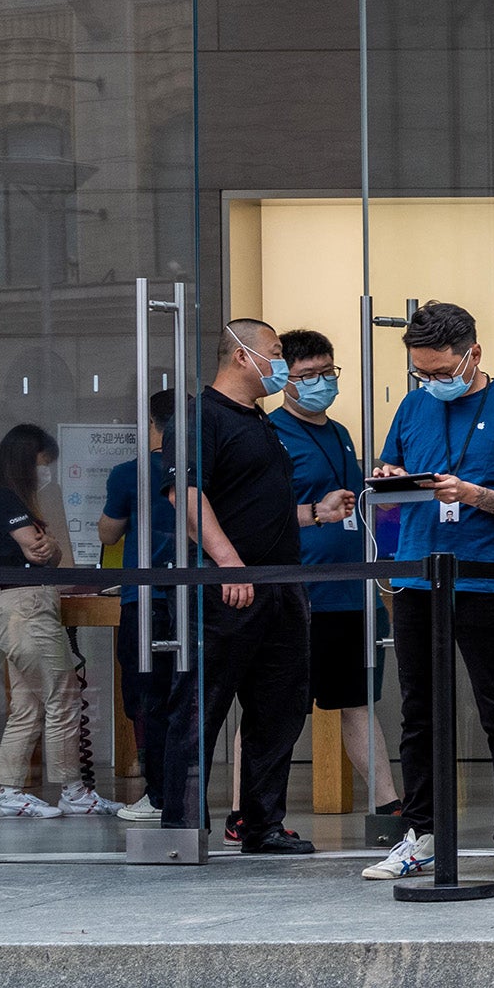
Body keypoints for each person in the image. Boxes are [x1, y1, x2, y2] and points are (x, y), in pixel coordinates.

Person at [365, 304, 494, 884]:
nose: (432, 382)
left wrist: (470, 493)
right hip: (418, 577)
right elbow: (389, 467)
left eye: (441, 370)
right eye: (422, 372)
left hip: (482, 576)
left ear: (472, 353)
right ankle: (418, 832)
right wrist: (390, 480)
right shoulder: (413, 404)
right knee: (417, 712)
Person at [187, 317, 318, 853]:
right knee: (207, 704)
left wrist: (313, 514)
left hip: (280, 585)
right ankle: (183, 820)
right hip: (233, 587)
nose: (280, 363)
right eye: (274, 353)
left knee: (278, 709)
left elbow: (256, 502)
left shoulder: (259, 421)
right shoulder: (201, 416)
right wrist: (228, 563)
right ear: (242, 356)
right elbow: (187, 495)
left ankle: (261, 823)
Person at [271, 327, 392, 836]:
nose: (321, 383)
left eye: (328, 373)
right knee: (274, 706)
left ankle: (388, 805)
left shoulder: (341, 433)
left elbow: (359, 511)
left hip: (353, 588)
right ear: (285, 380)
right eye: (308, 376)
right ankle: (249, 811)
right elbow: (257, 516)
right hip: (300, 591)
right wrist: (313, 514)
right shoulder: (269, 433)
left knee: (356, 699)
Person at [0, 424, 101, 820]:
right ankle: (73, 790)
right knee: (62, 696)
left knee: (27, 707)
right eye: (43, 464)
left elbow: (50, 552)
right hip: (27, 609)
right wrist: (46, 547)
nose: (46, 473)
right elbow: (38, 549)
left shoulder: (6, 498)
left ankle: (10, 793)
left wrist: (51, 547)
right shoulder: (2, 497)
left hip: (18, 608)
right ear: (26, 461)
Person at [102, 434, 181, 826]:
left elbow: (107, 533)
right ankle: (179, 790)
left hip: (143, 598)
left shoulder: (128, 474)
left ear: (152, 426)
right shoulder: (200, 471)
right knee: (187, 694)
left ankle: (158, 793)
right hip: (194, 593)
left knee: (145, 697)